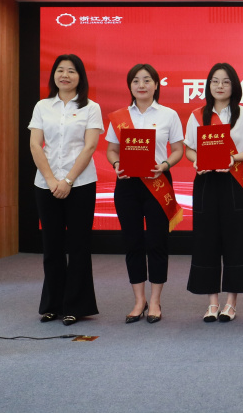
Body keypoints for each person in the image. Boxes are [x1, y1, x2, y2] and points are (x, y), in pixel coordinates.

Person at [105, 64, 184, 324]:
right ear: (130, 86)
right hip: (127, 184)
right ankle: (139, 300)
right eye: (136, 80)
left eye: (147, 80)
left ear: (156, 85)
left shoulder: (169, 115)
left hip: (157, 182)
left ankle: (156, 301)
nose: (141, 85)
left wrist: (165, 165)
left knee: (157, 242)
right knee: (133, 242)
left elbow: (178, 150)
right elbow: (111, 150)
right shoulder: (119, 116)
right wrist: (117, 165)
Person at [29, 54, 103, 326]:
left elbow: (90, 146)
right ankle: (52, 304)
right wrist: (51, 180)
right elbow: (35, 144)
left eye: (71, 71)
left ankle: (75, 306)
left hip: (81, 184)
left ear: (80, 77)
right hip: (45, 184)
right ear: (54, 76)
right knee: (52, 246)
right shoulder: (42, 106)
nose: (65, 75)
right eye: (60, 70)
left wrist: (68, 180)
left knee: (79, 245)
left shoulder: (91, 107)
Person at [183, 63, 243, 322]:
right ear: (208, 85)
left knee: (235, 240)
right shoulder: (197, 115)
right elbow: (190, 149)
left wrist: (233, 158)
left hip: (233, 183)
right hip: (205, 182)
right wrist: (196, 160)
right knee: (206, 240)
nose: (219, 86)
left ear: (234, 86)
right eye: (215, 81)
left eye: (226, 81)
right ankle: (212, 303)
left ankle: (230, 303)